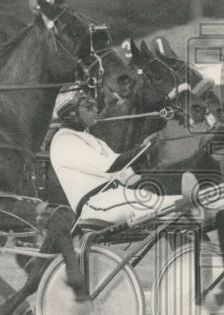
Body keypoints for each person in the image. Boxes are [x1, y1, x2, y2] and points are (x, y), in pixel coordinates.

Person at [49, 91, 179, 227]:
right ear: (71, 113)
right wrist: (142, 148)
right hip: (96, 204)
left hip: (113, 198)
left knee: (165, 203)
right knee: (165, 205)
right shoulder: (65, 140)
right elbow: (109, 166)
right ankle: (194, 204)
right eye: (89, 106)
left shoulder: (90, 139)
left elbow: (124, 176)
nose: (96, 109)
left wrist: (146, 150)